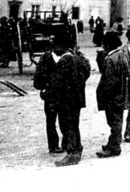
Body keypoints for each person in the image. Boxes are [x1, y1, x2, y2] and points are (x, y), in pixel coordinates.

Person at [34, 33, 90, 166]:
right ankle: (75, 150)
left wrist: (48, 92)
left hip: (64, 100)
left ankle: (72, 154)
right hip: (74, 99)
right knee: (72, 125)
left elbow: (59, 83)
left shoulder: (65, 61)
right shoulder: (77, 59)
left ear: (63, 46)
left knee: (67, 126)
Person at [96, 33, 130, 158]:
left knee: (114, 121)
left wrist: (106, 96)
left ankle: (114, 147)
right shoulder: (122, 55)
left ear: (107, 44)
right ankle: (112, 143)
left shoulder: (110, 59)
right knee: (117, 120)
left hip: (112, 96)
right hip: (121, 94)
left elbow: (109, 81)